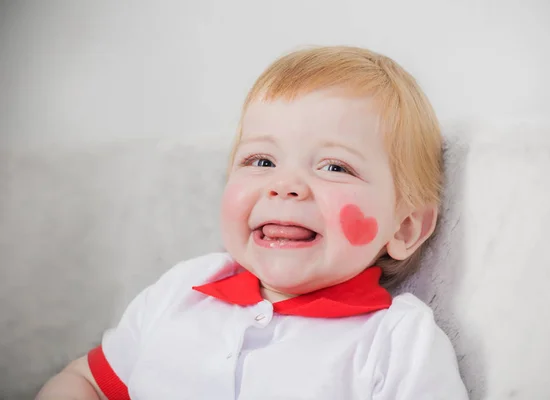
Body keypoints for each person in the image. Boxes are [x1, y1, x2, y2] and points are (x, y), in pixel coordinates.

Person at [37, 46, 468, 399]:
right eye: (261, 160)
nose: (285, 185)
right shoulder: (183, 290)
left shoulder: (397, 341)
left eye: (334, 167)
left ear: (405, 228)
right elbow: (88, 381)